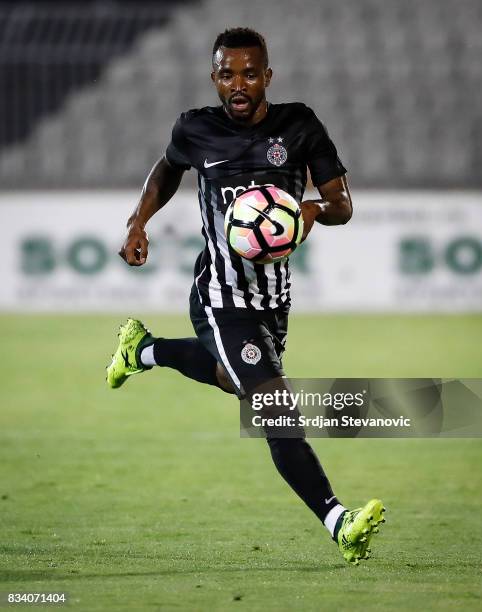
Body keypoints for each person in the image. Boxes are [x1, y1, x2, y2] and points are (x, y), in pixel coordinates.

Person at [106, 27, 385, 565]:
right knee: (275, 408)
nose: (238, 83)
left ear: (267, 77)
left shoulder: (299, 126)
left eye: (250, 73)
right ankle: (339, 521)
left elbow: (342, 204)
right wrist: (137, 222)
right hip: (219, 295)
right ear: (214, 78)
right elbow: (167, 169)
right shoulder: (196, 129)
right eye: (227, 74)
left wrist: (308, 213)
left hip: (274, 300)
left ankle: (143, 350)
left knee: (231, 379)